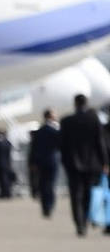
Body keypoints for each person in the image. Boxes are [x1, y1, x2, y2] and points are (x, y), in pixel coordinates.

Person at [58, 95, 106, 237]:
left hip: (73, 164)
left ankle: (79, 224)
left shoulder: (66, 121)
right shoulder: (94, 119)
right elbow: (100, 142)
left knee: (76, 195)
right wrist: (105, 162)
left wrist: (65, 162)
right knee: (88, 195)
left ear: (75, 104)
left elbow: (62, 145)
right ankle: (84, 220)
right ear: (86, 103)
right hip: (93, 164)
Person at [30, 110, 63, 218]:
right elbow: (60, 145)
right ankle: (49, 205)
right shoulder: (54, 131)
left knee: (43, 184)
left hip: (40, 161)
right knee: (50, 184)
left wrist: (32, 162)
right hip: (52, 161)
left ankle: (45, 207)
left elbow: (33, 149)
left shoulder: (39, 131)